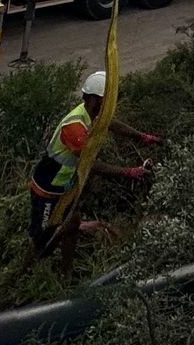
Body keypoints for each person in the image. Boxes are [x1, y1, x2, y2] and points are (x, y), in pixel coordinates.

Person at [27, 70, 160, 257]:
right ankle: (28, 273)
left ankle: (66, 277)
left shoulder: (92, 115)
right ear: (94, 99)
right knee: (42, 238)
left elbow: (112, 124)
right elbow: (90, 164)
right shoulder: (74, 126)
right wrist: (129, 172)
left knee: (72, 224)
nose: (109, 105)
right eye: (105, 100)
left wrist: (142, 137)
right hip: (47, 188)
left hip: (65, 184)